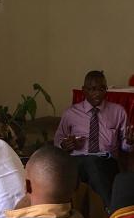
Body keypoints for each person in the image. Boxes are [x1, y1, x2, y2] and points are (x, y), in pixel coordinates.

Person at [54, 70, 134, 208]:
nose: (97, 93)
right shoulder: (70, 113)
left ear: (106, 89)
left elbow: (125, 147)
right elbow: (58, 141)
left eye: (101, 89)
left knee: (92, 162)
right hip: (77, 161)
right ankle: (110, 211)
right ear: (84, 90)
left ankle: (109, 210)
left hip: (106, 162)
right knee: (80, 164)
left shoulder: (118, 111)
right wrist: (65, 144)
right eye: (92, 89)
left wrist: (130, 142)